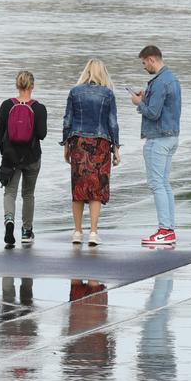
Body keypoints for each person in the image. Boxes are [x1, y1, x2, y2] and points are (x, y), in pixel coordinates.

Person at [61, 60, 121, 247]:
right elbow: (112, 123)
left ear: (86, 72)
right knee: (96, 189)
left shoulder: (75, 92)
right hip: (101, 144)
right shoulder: (108, 94)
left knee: (78, 189)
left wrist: (65, 144)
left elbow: (67, 120)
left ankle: (77, 232)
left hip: (78, 142)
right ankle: (93, 232)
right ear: (103, 73)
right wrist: (116, 148)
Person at [130, 44, 182, 248]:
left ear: (152, 59)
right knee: (164, 183)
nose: (145, 67)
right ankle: (169, 229)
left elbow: (153, 113)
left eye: (144, 63)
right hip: (171, 136)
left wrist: (138, 103)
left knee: (156, 184)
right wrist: (146, 98)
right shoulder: (172, 79)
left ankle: (165, 230)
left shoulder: (161, 81)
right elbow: (164, 106)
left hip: (159, 138)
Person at [0, 70, 48, 248]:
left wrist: (5, 154)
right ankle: (26, 231)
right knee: (28, 194)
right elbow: (42, 134)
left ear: (17, 85)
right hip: (32, 157)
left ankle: (9, 221)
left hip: (11, 157)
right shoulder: (39, 108)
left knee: (10, 192)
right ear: (32, 86)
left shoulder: (6, 105)